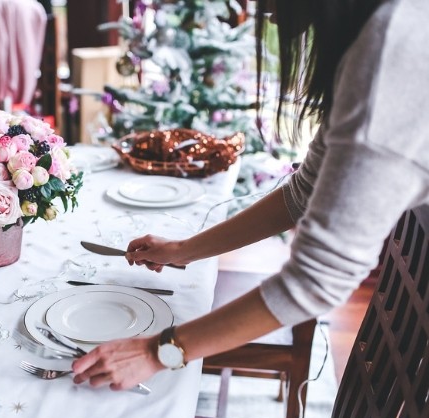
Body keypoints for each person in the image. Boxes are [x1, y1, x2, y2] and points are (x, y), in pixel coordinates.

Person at [72, 0, 429, 391]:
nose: (256, 8)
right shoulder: (378, 32)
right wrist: (182, 251)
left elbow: (315, 281)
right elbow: (302, 194)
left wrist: (159, 352)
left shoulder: (393, 50)